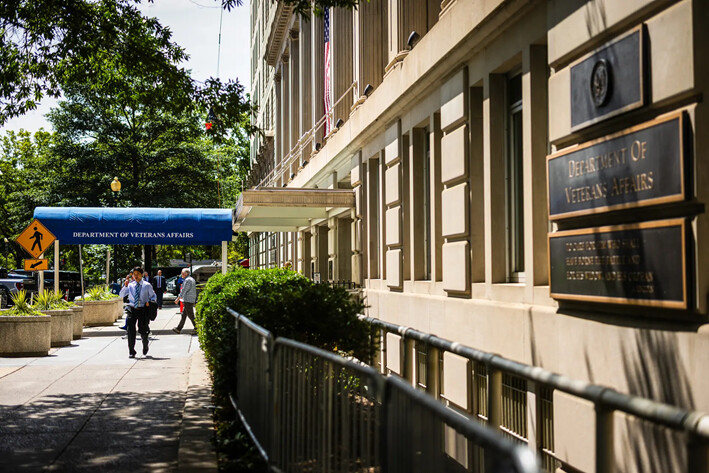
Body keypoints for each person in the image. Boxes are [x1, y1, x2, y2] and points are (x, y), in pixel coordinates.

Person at [119, 266, 156, 358]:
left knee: (143, 330)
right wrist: (125, 286)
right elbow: (121, 295)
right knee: (130, 330)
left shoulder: (147, 285)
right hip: (132, 309)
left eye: (138, 274)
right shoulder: (130, 285)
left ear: (142, 274)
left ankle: (145, 343)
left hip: (143, 309)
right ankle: (132, 351)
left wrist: (149, 302)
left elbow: (153, 296)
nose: (136, 276)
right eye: (134, 274)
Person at [172, 268, 196, 334]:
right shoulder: (191, 279)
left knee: (191, 315)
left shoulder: (188, 280)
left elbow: (184, 290)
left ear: (186, 273)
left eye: (182, 273)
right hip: (190, 299)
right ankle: (178, 328)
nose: (181, 275)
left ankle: (197, 328)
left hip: (188, 300)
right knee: (184, 315)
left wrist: (178, 298)